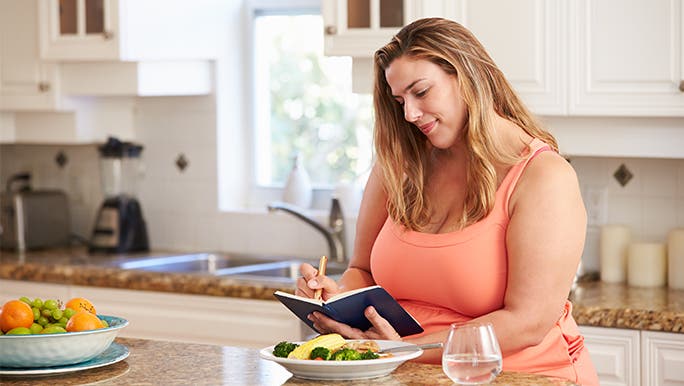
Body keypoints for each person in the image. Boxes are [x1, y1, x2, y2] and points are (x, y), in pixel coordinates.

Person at [296, 17, 598, 385]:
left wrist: (405, 349)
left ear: (467, 76)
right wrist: (336, 296)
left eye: (421, 92)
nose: (409, 114)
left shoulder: (542, 177)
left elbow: (528, 321)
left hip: (520, 375)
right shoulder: (399, 166)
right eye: (400, 100)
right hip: (407, 373)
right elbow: (363, 270)